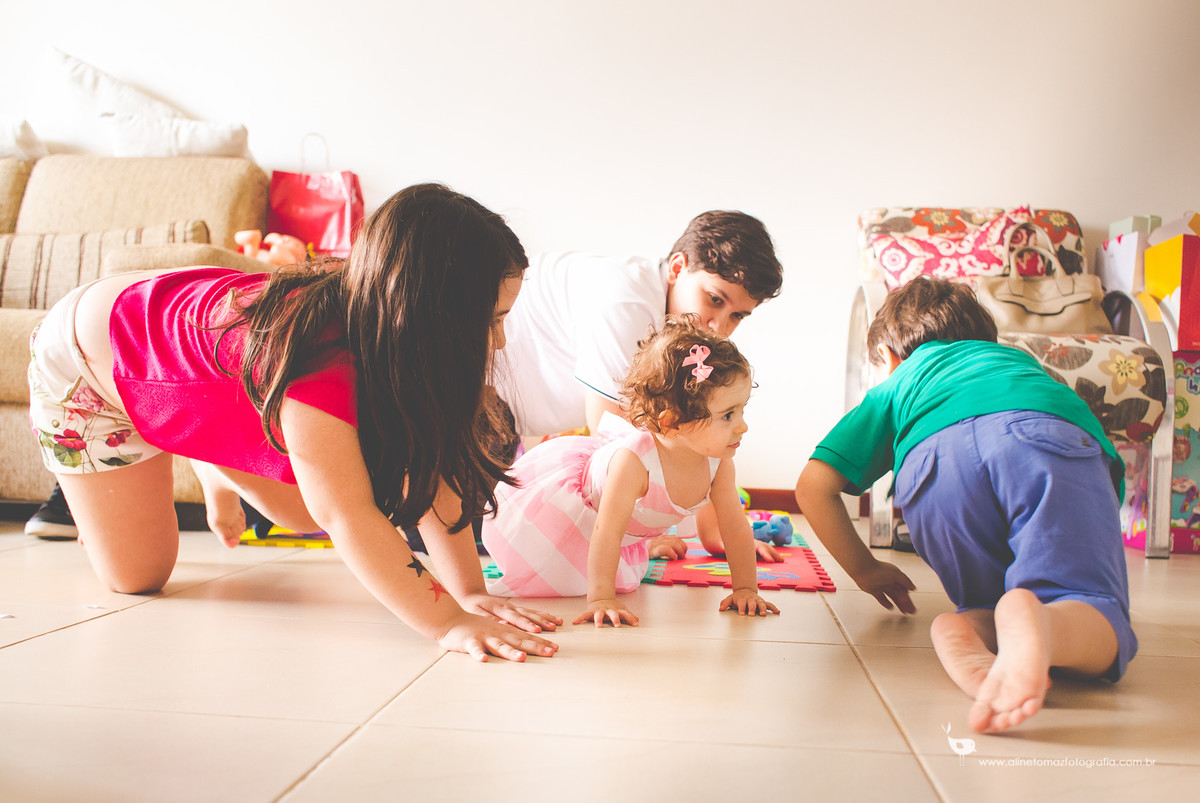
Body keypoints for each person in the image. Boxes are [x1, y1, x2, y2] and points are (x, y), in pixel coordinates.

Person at [26, 183, 562, 663]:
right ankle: (178, 445)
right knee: (138, 578)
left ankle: (199, 439)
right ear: (428, 313)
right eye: (490, 322)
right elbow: (348, 517)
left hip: (168, 348)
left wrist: (466, 590)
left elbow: (431, 467)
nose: (499, 342)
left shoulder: (386, 330)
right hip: (87, 366)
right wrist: (446, 622)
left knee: (299, 511)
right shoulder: (317, 363)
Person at [794, 277, 1137, 734]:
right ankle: (1044, 621)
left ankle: (971, 627)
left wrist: (865, 569)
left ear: (888, 359)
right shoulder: (1019, 364)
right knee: (1086, 601)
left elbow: (813, 486)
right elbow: (1091, 481)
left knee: (986, 600)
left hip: (933, 467)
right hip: (1043, 435)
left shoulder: (897, 383)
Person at [493, 210, 785, 561]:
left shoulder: (684, 334)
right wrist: (638, 535)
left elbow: (700, 433)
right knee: (503, 530)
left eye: (737, 315)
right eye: (715, 300)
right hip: (480, 398)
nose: (717, 326)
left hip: (512, 413)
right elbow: (614, 437)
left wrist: (717, 531)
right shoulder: (627, 302)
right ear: (678, 268)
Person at [482, 316, 780, 626]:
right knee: (558, 574)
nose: (742, 426)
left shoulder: (720, 464)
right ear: (670, 422)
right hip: (573, 514)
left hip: (629, 527)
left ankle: (647, 543)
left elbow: (734, 527)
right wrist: (601, 598)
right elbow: (607, 532)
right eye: (728, 415)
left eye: (742, 409)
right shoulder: (635, 463)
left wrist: (746, 588)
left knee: (626, 544)